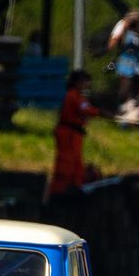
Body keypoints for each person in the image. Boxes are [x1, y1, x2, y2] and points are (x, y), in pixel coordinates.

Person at [48, 69, 102, 198]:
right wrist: (101, 112)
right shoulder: (72, 96)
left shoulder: (78, 96)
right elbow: (85, 109)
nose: (87, 85)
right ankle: (58, 191)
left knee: (77, 162)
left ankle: (75, 187)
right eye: (85, 82)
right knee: (65, 163)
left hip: (75, 134)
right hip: (68, 134)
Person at [107, 7, 139, 103]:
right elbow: (111, 45)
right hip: (126, 55)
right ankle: (124, 104)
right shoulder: (122, 24)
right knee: (125, 84)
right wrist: (124, 28)